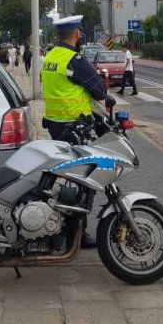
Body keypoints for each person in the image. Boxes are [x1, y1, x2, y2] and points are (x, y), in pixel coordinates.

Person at [41, 15, 113, 249]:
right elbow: (100, 91)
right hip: (75, 127)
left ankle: (55, 229)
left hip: (54, 124)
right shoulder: (75, 60)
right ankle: (76, 233)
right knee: (84, 182)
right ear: (77, 34)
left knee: (60, 180)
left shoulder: (49, 57)